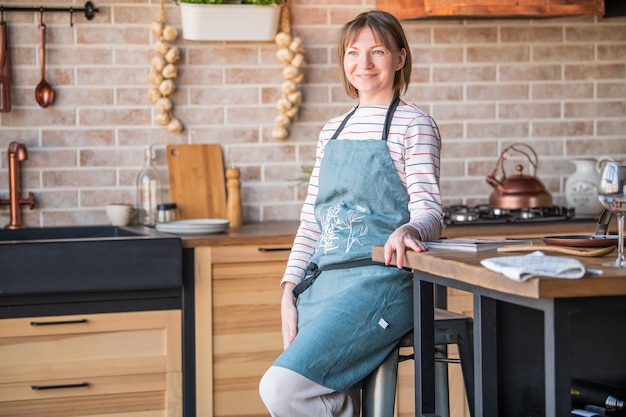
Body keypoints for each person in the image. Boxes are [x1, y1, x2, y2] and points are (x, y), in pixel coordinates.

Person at [259, 10, 443, 417]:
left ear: (400, 58)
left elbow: (431, 209)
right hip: (325, 283)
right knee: (307, 391)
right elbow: (312, 219)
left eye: (377, 51)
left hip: (382, 282)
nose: (364, 63)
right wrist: (289, 287)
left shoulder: (414, 125)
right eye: (353, 53)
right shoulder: (333, 129)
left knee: (281, 388)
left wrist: (410, 228)